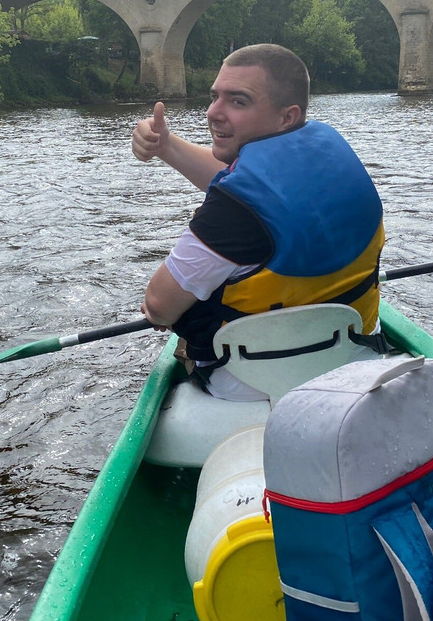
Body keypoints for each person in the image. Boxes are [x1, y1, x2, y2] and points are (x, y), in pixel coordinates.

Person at [133, 44, 385, 400]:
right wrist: (166, 145)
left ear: (286, 116)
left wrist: (157, 308)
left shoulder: (232, 211)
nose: (213, 113)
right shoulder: (326, 150)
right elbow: (255, 192)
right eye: (214, 97)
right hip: (350, 349)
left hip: (251, 379)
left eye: (238, 101)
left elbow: (159, 306)